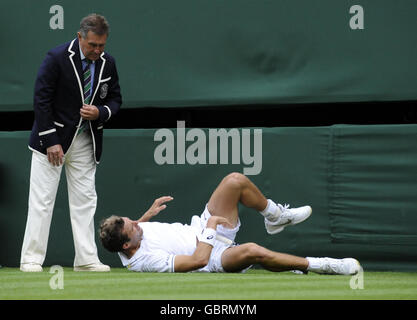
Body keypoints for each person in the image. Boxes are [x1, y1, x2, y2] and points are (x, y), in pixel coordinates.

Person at [99, 173, 361, 275]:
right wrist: (211, 227)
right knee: (254, 251)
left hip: (203, 228)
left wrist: (146, 215)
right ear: (126, 245)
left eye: (131, 219)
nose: (136, 222)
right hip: (214, 256)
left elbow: (134, 226)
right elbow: (197, 261)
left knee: (234, 181)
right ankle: (322, 265)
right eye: (132, 226)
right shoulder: (143, 261)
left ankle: (275, 217)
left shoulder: (132, 234)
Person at [20, 14, 122, 272]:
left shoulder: (107, 63)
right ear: (80, 37)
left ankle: (86, 260)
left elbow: (115, 99)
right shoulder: (56, 57)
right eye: (92, 46)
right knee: (42, 200)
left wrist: (101, 112)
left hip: (86, 140)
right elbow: (41, 99)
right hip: (51, 141)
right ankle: (31, 259)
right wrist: (51, 140)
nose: (97, 51)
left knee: (85, 200)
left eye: (102, 46)